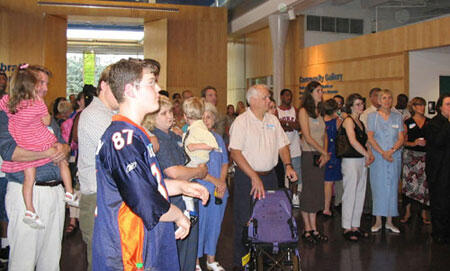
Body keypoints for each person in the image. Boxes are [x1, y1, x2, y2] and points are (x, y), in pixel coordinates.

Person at [92, 58, 209, 271]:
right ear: (130, 90)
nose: (158, 88)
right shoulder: (122, 139)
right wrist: (178, 215)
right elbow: (145, 200)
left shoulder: (136, 134)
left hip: (146, 241)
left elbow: (148, 183)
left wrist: (181, 186)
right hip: (129, 248)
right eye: (151, 82)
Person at [0, 64, 69, 271]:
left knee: (51, 260)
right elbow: (9, 152)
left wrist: (64, 149)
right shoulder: (7, 112)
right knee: (24, 261)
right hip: (27, 193)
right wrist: (47, 153)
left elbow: (61, 143)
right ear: (27, 84)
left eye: (47, 83)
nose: (46, 88)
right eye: (42, 83)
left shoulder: (42, 111)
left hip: (55, 191)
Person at [229, 84, 297, 269]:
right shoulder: (242, 122)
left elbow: (283, 145)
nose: (270, 101)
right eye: (266, 97)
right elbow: (235, 152)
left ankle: (264, 260)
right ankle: (242, 262)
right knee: (245, 219)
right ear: (253, 100)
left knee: (269, 218)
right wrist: (253, 176)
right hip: (247, 178)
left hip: (269, 177)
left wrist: (288, 165)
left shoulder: (273, 121)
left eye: (269, 97)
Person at [142, 96, 208, 271]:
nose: (169, 116)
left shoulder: (173, 135)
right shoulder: (157, 139)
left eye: (170, 111)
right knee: (176, 251)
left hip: (187, 195)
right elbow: (174, 172)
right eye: (163, 113)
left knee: (189, 248)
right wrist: (199, 172)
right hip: (172, 200)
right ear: (152, 118)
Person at [77, 65, 119, 270]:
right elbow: (119, 151)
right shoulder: (95, 114)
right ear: (103, 85)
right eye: (115, 87)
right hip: (97, 198)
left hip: (108, 197)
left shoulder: (110, 113)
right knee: (102, 262)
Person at [196, 102, 229, 271]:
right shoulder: (195, 138)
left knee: (215, 226)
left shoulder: (218, 139)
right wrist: (215, 182)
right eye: (202, 117)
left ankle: (211, 259)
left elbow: (224, 162)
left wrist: (221, 182)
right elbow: (197, 166)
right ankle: (195, 262)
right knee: (199, 226)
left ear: (214, 119)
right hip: (202, 189)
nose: (206, 120)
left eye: (208, 117)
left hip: (219, 190)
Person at [367, 89, 404, 233]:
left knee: (392, 188)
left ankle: (389, 221)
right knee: (378, 188)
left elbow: (401, 138)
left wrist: (392, 151)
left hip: (393, 157)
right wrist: (382, 153)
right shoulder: (372, 117)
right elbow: (370, 137)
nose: (387, 101)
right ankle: (377, 221)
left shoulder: (397, 117)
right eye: (384, 98)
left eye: (389, 98)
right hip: (379, 159)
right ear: (379, 100)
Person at [298, 81, 330, 244]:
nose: (321, 93)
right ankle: (307, 229)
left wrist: (324, 153)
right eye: (318, 90)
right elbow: (307, 136)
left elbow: (324, 134)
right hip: (309, 154)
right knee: (309, 191)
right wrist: (323, 152)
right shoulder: (304, 111)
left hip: (320, 154)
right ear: (310, 93)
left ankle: (315, 228)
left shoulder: (320, 111)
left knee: (317, 191)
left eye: (321, 90)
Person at [340, 94, 374, 241]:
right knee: (350, 193)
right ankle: (347, 227)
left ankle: (355, 225)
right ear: (351, 106)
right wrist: (367, 154)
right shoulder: (348, 121)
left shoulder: (360, 122)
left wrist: (369, 154)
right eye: (358, 104)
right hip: (350, 160)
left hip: (360, 160)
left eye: (362, 104)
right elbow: (352, 141)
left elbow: (366, 141)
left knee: (360, 193)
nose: (361, 107)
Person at [182, 97, 218, 217]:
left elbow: (213, 144)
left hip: (196, 159)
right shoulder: (194, 128)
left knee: (183, 182)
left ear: (185, 116)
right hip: (194, 158)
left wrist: (195, 146)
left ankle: (190, 209)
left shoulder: (199, 128)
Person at [400, 97, 430, 224]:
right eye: (419, 105)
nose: (422, 107)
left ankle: (424, 213)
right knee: (408, 184)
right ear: (413, 107)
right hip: (411, 156)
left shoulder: (429, 122)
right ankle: (407, 212)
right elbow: (402, 141)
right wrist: (414, 143)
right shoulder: (407, 122)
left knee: (425, 185)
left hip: (425, 157)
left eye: (423, 105)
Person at [425, 93, 450, 244]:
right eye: (448, 104)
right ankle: (439, 232)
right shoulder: (434, 123)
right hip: (439, 170)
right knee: (440, 202)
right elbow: (438, 141)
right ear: (440, 107)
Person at [277, 88, 302, 208]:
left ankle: (295, 195)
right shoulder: (277, 110)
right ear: (281, 97)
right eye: (286, 95)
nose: (289, 98)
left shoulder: (295, 110)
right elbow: (277, 125)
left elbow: (298, 125)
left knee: (295, 173)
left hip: (295, 147)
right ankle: (284, 195)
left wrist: (285, 124)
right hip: (281, 148)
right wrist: (287, 125)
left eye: (290, 95)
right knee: (282, 174)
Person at [360, 87, 381, 215]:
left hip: (384, 152)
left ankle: (380, 207)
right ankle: (368, 208)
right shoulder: (366, 114)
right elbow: (365, 135)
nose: (380, 99)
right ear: (371, 97)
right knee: (369, 182)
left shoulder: (389, 112)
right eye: (377, 96)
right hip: (371, 150)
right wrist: (369, 152)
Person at [321, 99, 342, 217]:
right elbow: (343, 116)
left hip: (322, 151)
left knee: (325, 181)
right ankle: (326, 208)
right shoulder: (337, 121)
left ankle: (323, 205)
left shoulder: (320, 121)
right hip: (332, 153)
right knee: (329, 182)